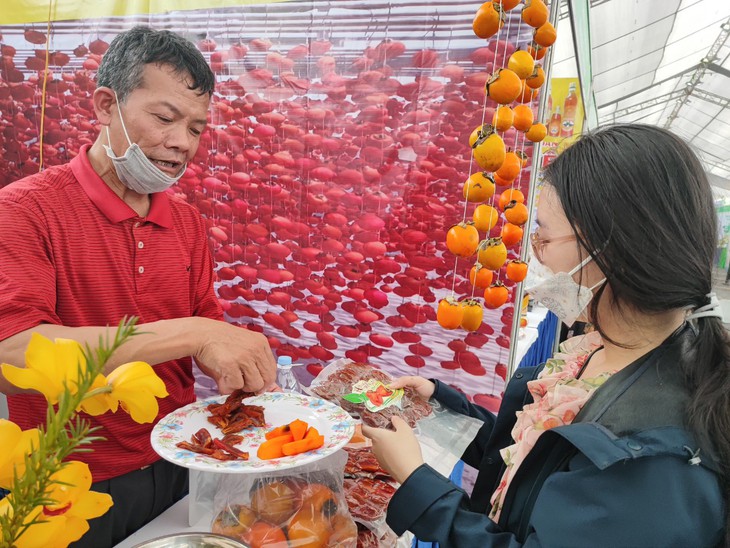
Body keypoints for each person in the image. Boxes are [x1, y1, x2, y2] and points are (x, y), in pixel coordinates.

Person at [363, 124, 728, 547]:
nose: (532, 253)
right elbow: (535, 459)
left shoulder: (654, 455)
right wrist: (443, 404)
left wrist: (418, 483)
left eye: (542, 235)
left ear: (605, 248)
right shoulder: (599, 349)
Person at [0, 26, 277, 546]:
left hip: (178, 461)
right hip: (66, 483)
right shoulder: (24, 210)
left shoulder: (189, 224)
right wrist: (192, 334)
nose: (181, 144)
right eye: (165, 118)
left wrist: (229, 361)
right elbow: (12, 356)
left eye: (196, 128)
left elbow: (205, 329)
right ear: (106, 105)